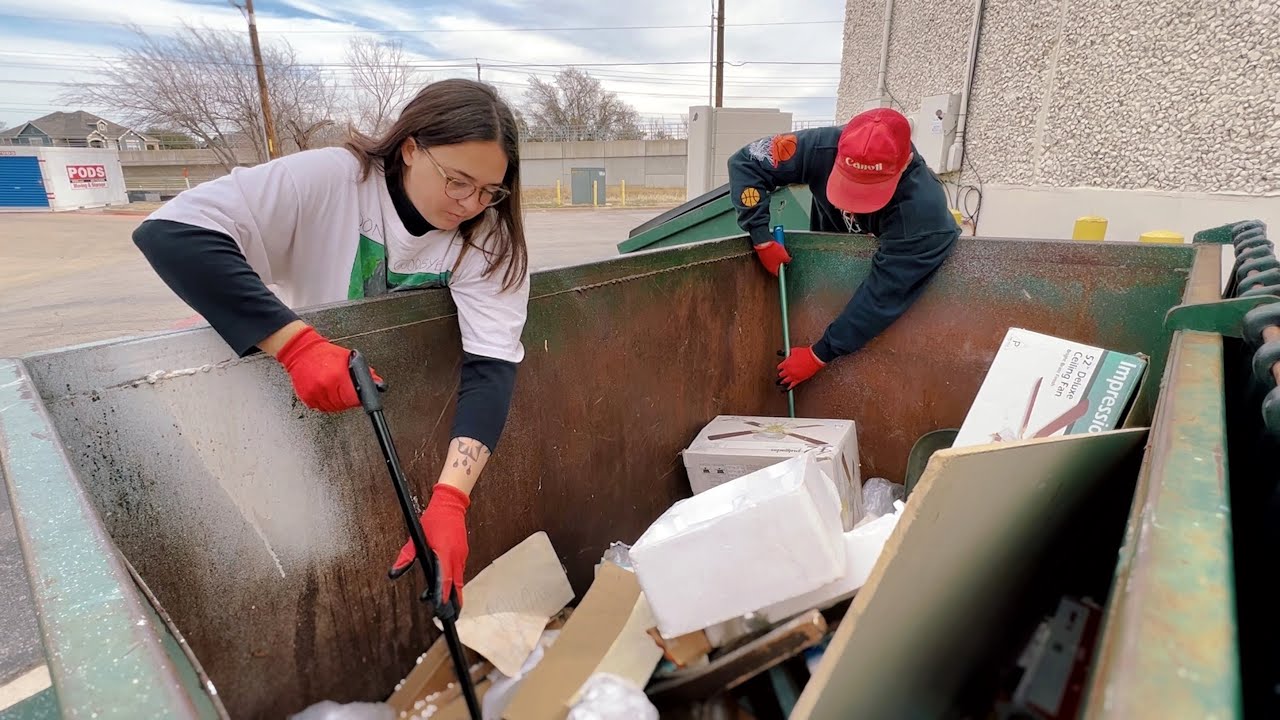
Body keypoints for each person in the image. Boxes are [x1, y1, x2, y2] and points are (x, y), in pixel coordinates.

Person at [131, 78, 529, 606]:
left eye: (488, 191)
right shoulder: (333, 180)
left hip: (410, 422)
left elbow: (492, 364)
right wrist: (297, 347)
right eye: (457, 181)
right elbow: (172, 232)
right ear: (411, 149)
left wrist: (452, 499)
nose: (470, 203)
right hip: (307, 410)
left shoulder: (487, 238)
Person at [727, 107, 960, 390]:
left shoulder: (923, 213)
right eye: (848, 185)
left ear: (905, 163)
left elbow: (884, 295)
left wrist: (820, 353)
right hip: (827, 272)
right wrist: (760, 236)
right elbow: (746, 162)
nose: (850, 206)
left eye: (868, 191)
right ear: (839, 153)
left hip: (868, 293)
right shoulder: (820, 147)